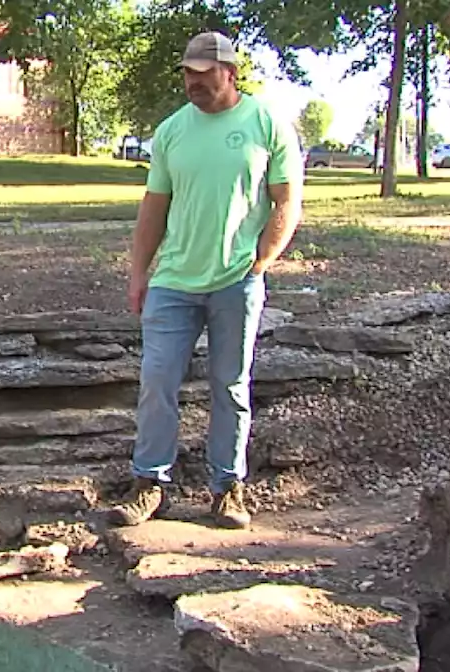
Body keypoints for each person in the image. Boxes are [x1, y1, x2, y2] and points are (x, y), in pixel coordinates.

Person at [108, 31, 303, 529]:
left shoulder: (266, 123)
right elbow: (154, 207)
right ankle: (149, 483)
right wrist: (138, 272)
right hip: (173, 281)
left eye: (203, 73)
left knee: (230, 387)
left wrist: (262, 261)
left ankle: (227, 489)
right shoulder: (172, 130)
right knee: (157, 381)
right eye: (187, 74)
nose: (193, 82)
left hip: (236, 281)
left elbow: (286, 202)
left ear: (229, 72)